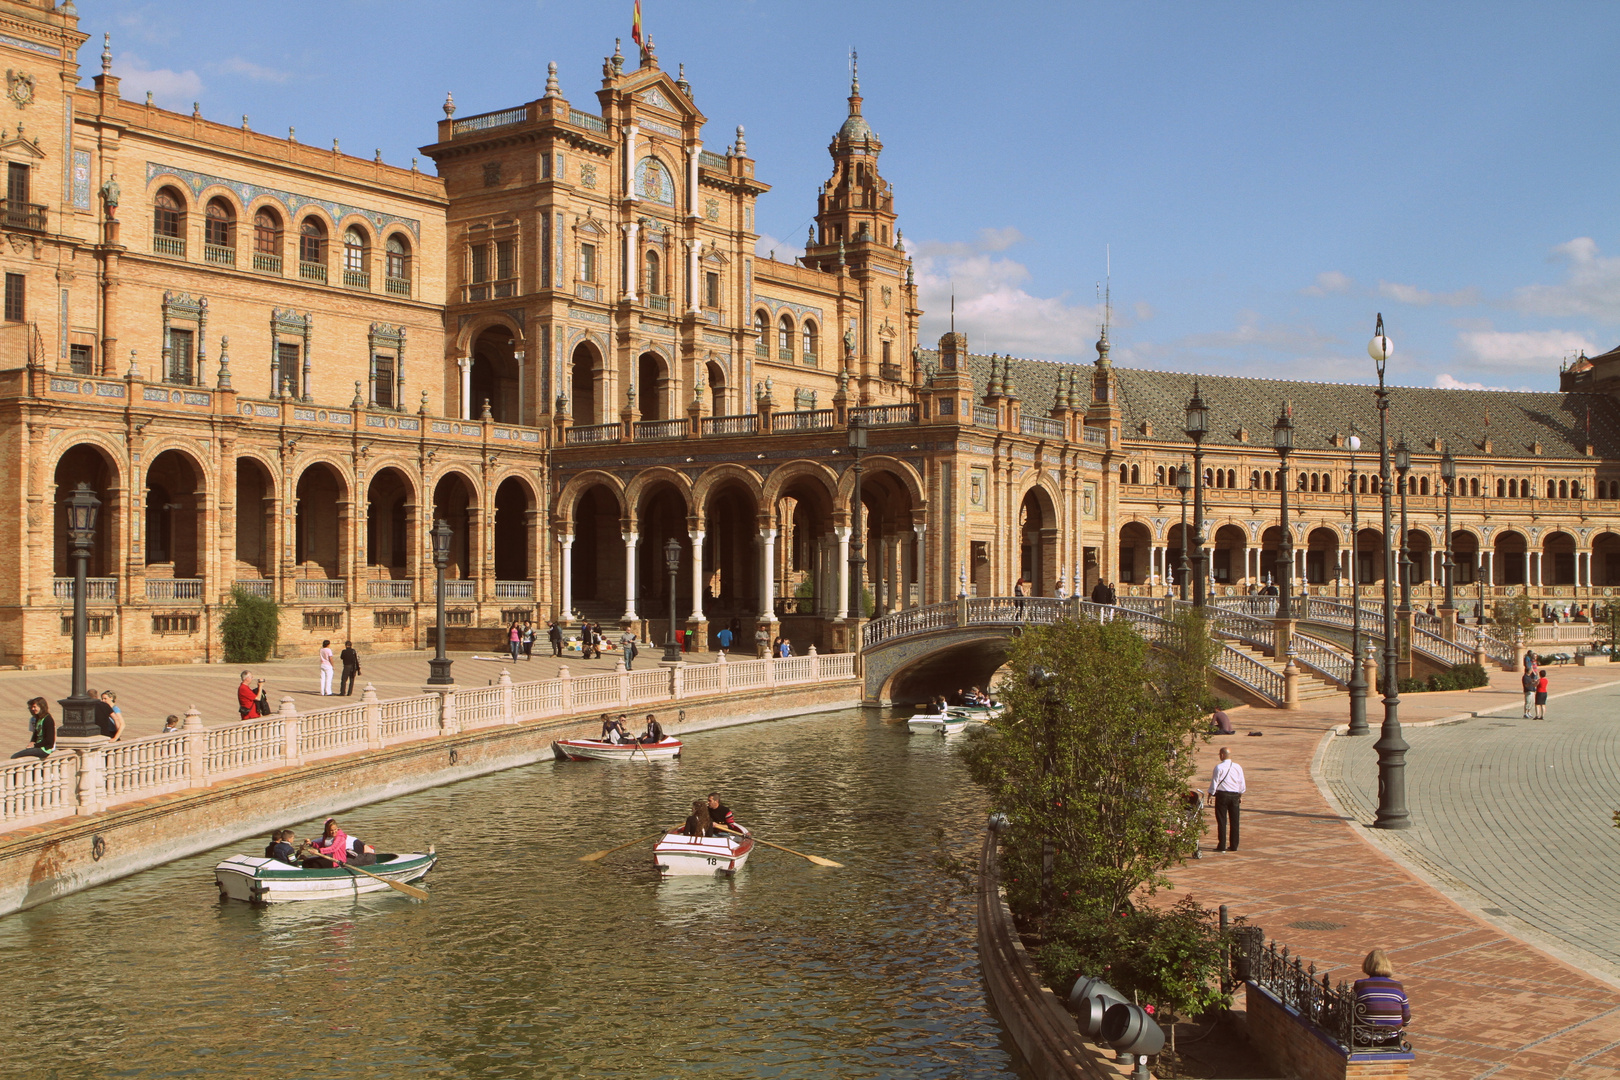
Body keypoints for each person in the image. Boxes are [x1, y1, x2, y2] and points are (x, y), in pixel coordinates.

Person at [1352, 949, 1410, 1045]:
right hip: (1392, 1038)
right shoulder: (1398, 986)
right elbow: (1406, 1020)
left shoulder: (1361, 985)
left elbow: (1352, 1011)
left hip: (1365, 1038)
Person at [1207, 746, 1245, 853]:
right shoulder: (1238, 767)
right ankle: (1234, 845)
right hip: (1234, 796)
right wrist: (1240, 795)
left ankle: (1222, 845)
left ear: (1222, 755)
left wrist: (1210, 794)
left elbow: (1214, 783)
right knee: (1235, 821)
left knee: (1222, 821)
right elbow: (1241, 783)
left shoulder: (1219, 767)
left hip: (1222, 795)